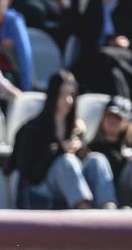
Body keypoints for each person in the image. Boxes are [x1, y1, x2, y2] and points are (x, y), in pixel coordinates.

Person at [9, 70, 118, 210]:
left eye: (72, 95)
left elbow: (80, 166)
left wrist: (81, 149)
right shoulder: (32, 129)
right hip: (40, 189)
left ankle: (108, 208)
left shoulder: (74, 128)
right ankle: (84, 210)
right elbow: (30, 173)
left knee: (97, 159)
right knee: (66, 161)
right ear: (53, 95)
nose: (68, 100)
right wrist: (60, 150)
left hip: (69, 188)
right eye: (63, 94)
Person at [74, 0, 132, 97]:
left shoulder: (129, 3)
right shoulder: (90, 3)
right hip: (95, 57)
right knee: (110, 70)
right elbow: (73, 30)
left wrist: (127, 42)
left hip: (124, 55)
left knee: (106, 58)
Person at [85, 95, 132, 206]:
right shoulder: (91, 148)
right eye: (109, 116)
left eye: (118, 118)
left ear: (126, 122)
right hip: (97, 201)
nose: (112, 121)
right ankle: (108, 206)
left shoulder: (128, 150)